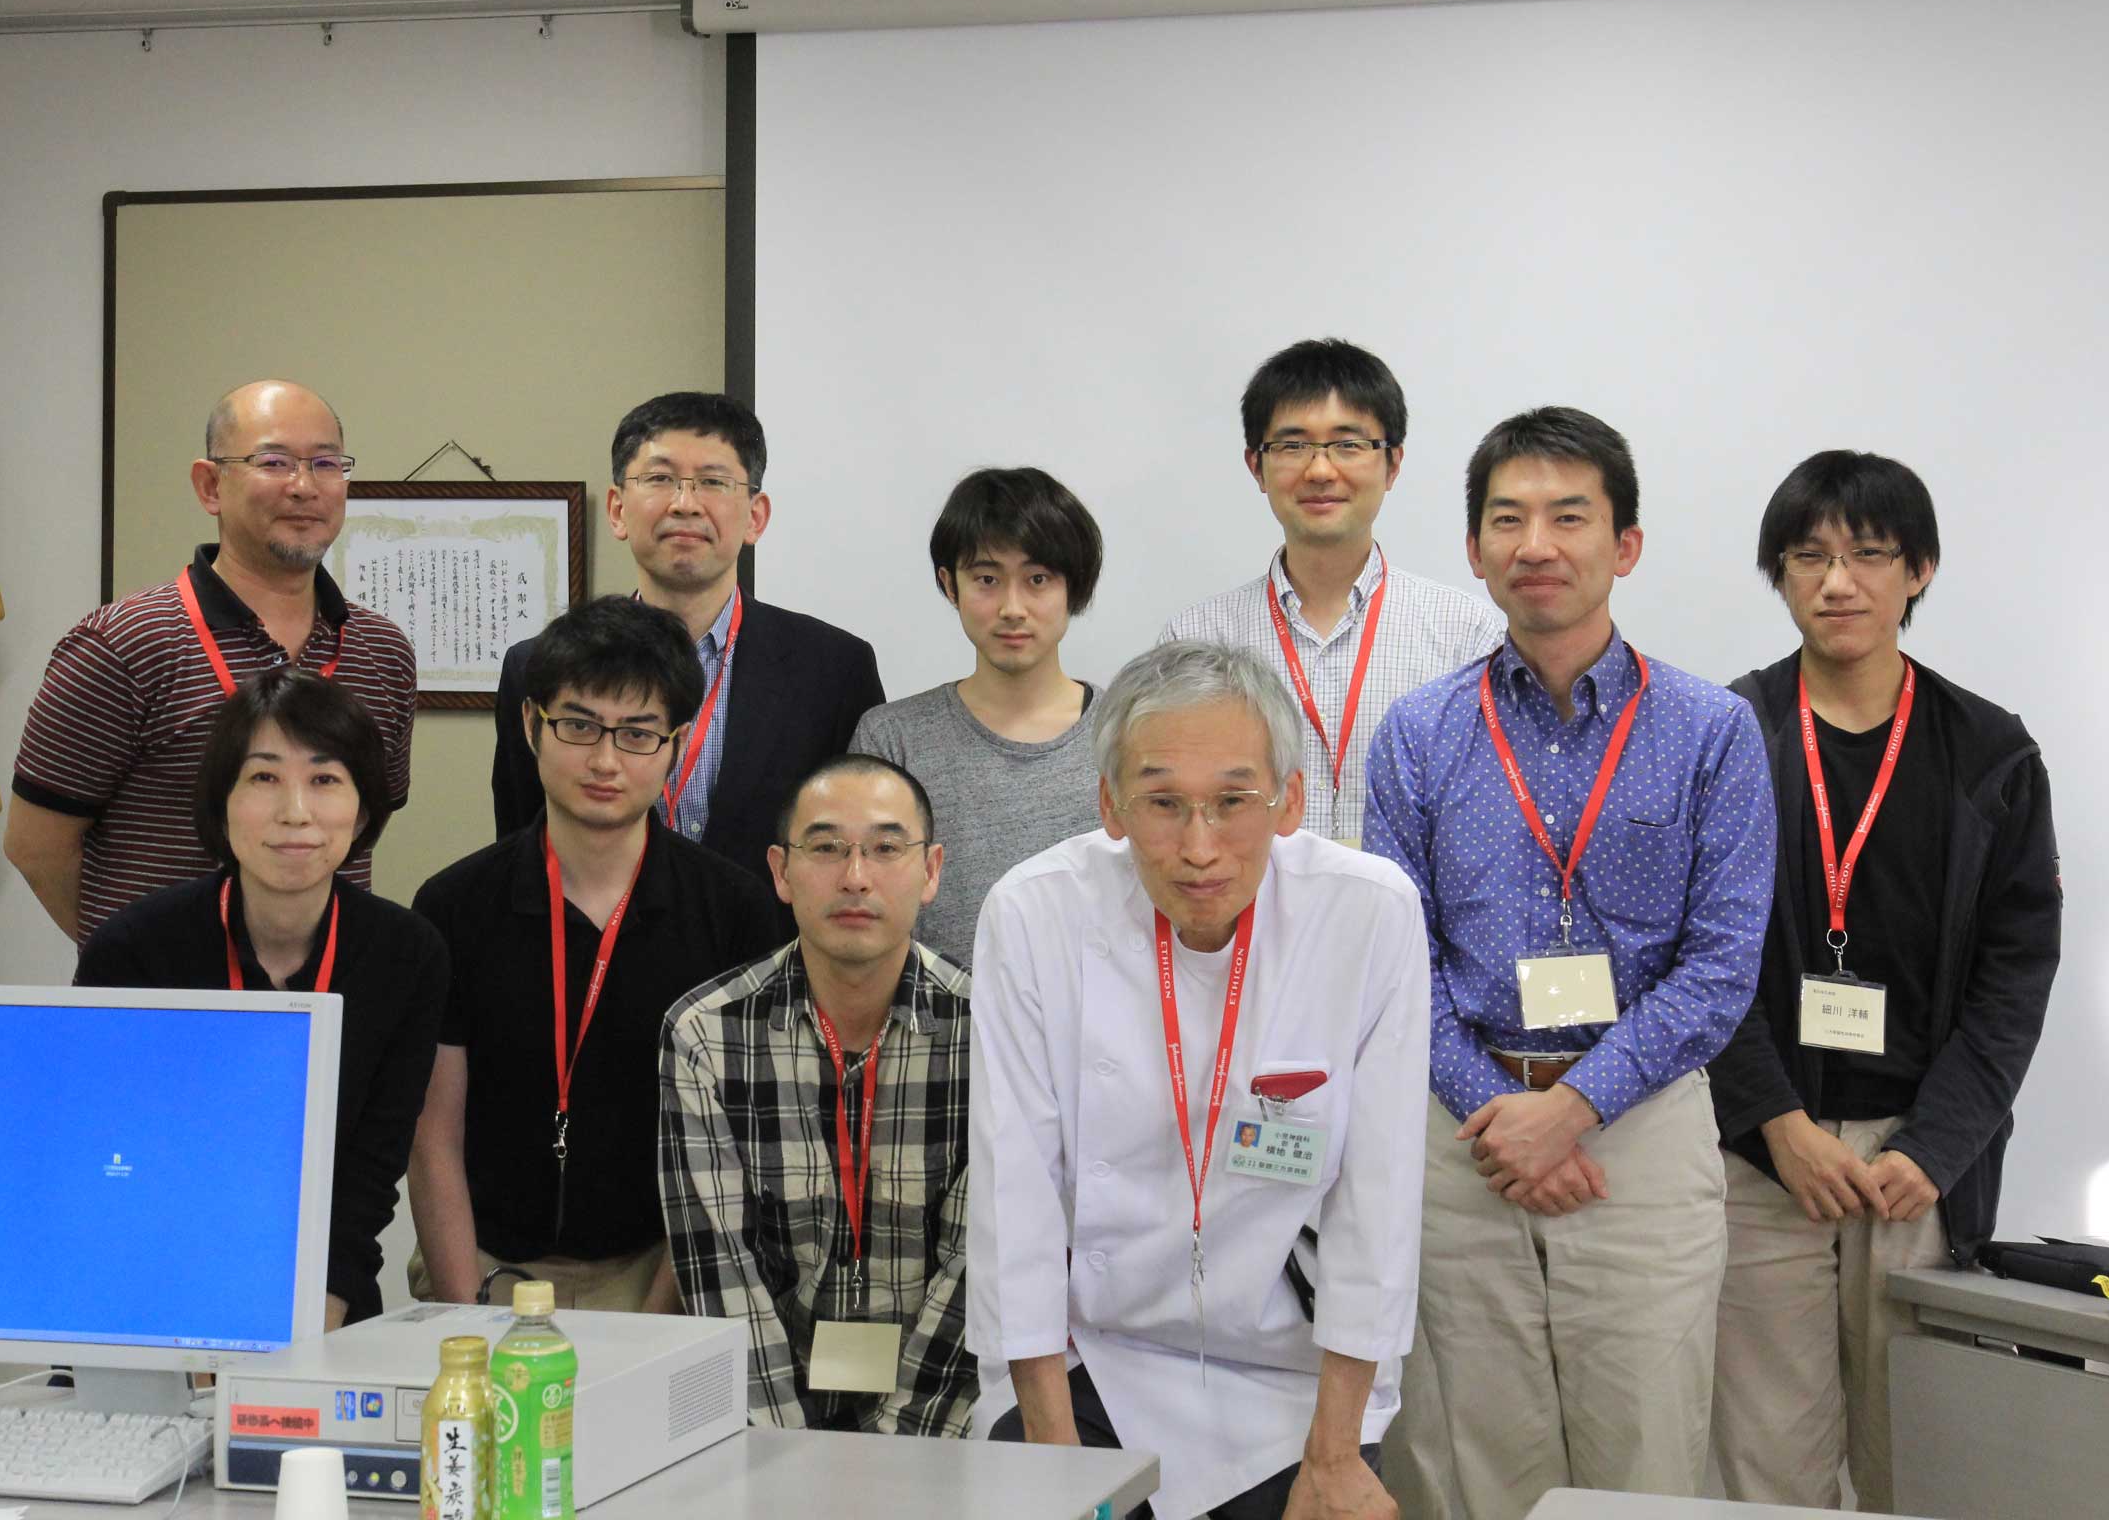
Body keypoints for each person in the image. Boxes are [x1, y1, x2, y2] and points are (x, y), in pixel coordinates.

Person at [1362, 407, 1774, 1520]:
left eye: (1568, 517)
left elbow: (1720, 967)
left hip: (1640, 1136)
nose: (1535, 544)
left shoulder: (1711, 730)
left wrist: (1573, 1109)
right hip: (1467, 1141)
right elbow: (1399, 965)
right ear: (1474, 549)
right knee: (1469, 1464)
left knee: (1644, 1463)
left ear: (1624, 545)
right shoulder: (1417, 733)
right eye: (1508, 519)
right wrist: (1504, 1117)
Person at [971, 641, 1428, 1520]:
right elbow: (1013, 1197)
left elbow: (1377, 1201)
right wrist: (1057, 1465)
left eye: (1232, 801)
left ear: (1290, 801)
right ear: (1110, 804)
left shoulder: (1368, 911)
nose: (1198, 847)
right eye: (1163, 803)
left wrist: (1335, 1454)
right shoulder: (1034, 912)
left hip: (1294, 1370)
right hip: (1091, 1354)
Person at [1707, 451, 2061, 1513]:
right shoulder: (1727, 733)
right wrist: (1775, 1122)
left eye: (1869, 554)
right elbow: (1698, 953)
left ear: (1920, 571)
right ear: (1778, 573)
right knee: (1764, 1469)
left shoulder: (1990, 752)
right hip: (1762, 1159)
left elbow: (2016, 973)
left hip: (1918, 1164)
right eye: (1808, 557)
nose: (1838, 582)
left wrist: (1935, 1148)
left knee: (1922, 1460)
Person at [413, 595, 783, 1312]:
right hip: (485, 1266)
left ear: (677, 743)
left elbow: (734, 1140)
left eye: (638, 733)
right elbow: (433, 1139)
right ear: (531, 725)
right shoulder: (454, 906)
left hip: (663, 1267)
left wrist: (659, 1321)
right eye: (579, 726)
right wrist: (464, 1309)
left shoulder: (732, 910)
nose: (606, 761)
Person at [76, 667, 446, 1328]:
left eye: (325, 780)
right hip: (145, 1290)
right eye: (264, 778)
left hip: (325, 1294)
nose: (295, 812)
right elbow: (108, 1162)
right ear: (222, 801)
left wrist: (315, 1323)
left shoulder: (406, 956)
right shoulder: (133, 952)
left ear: (362, 810)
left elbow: (369, 1176)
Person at [7, 380, 415, 946]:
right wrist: (135, 960)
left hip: (321, 987)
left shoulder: (381, 650)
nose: (303, 486)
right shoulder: (123, 645)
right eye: (274, 462)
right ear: (210, 485)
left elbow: (366, 822)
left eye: (325, 464)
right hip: (164, 993)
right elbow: (37, 846)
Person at [659, 754, 975, 1435]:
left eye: (886, 848)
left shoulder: (991, 1031)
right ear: (781, 871)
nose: (856, 876)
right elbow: (720, 1274)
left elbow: (975, 1273)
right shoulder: (706, 1034)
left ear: (931, 871)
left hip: (943, 1420)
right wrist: (790, 1466)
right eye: (827, 848)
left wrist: (900, 1455)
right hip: (767, 1420)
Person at [490, 392, 884, 885]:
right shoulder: (534, 667)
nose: (684, 504)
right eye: (660, 479)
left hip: (770, 935)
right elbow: (521, 847)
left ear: (756, 516)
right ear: (617, 509)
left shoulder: (834, 669)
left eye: (713, 482)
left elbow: (853, 848)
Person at [1163, 338, 1501, 851]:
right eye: (1293, 446)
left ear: (1392, 464)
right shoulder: (1194, 640)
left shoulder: (1467, 635)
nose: (1320, 471)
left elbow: (1488, 816)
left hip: (1411, 904)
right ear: (1256, 466)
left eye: (1348, 444)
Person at [850, 466, 1105, 966]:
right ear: (950, 585)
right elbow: (869, 903)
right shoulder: (891, 739)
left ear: (1073, 587)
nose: (1013, 607)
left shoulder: (1128, 733)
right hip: (933, 1014)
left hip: (1097, 1012)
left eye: (1038, 579)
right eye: (987, 579)